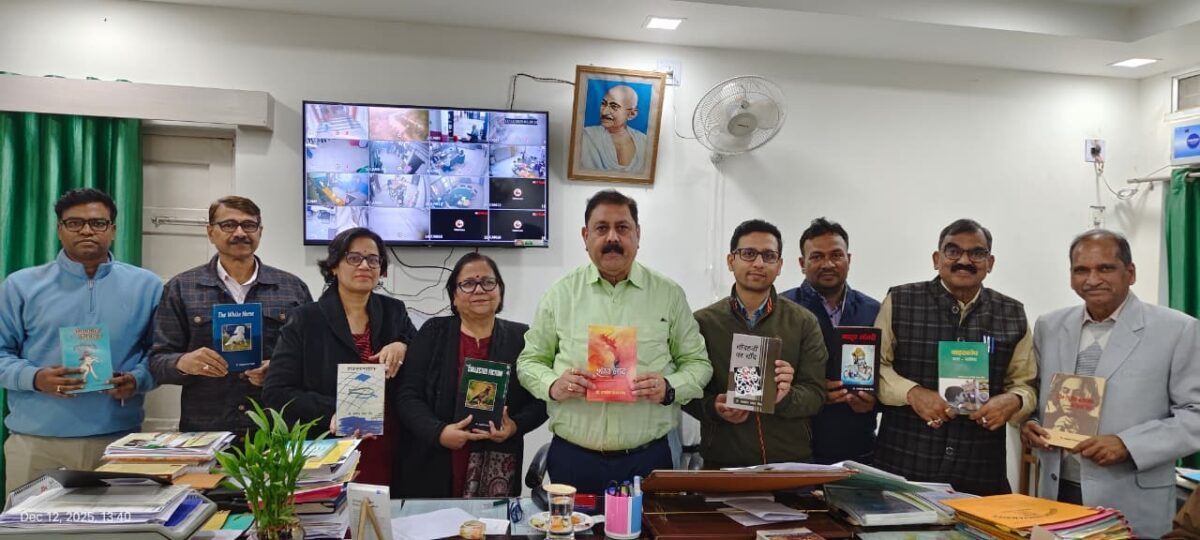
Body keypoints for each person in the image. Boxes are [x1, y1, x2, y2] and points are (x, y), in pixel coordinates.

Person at [517, 189, 712, 495]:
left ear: (638, 234)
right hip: (573, 458)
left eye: (622, 228)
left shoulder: (669, 294)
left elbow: (698, 364)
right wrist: (553, 384)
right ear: (585, 236)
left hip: (648, 459)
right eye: (601, 228)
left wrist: (669, 387)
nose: (612, 238)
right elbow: (529, 361)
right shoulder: (560, 294)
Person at [1021, 230, 1200, 538]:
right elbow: (1039, 396)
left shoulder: (1177, 329)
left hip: (1130, 496)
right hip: (1057, 491)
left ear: (1130, 273)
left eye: (1105, 268)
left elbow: (1195, 415)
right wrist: (1032, 423)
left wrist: (1128, 445)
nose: (1093, 279)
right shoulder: (1049, 326)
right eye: (1081, 270)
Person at [0, 188, 162, 492]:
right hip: (36, 443)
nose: (87, 230)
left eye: (98, 223)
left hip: (119, 442)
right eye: (74, 223)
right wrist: (35, 378)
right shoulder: (20, 285)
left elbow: (160, 353)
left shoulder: (147, 285)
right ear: (59, 230)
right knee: (31, 524)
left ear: (113, 230)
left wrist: (137, 379)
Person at [874, 218, 1037, 495]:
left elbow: (1026, 383)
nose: (964, 260)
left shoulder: (1012, 313)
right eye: (953, 251)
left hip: (981, 472)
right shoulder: (900, 300)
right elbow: (876, 366)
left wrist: (1014, 401)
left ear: (990, 263)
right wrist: (912, 393)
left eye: (977, 253)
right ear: (936, 259)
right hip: (904, 467)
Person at [263, 227, 417, 490]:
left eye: (373, 259)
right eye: (354, 258)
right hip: (328, 442)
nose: (364, 265)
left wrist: (403, 345)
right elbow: (276, 392)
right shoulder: (306, 319)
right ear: (334, 266)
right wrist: (333, 411)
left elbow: (422, 357)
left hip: (388, 442)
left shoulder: (394, 310)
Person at [149, 196, 313, 435]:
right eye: (228, 225)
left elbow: (313, 359)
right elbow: (157, 361)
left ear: (260, 231)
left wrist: (280, 370)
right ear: (210, 232)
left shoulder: (292, 288)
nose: (240, 232)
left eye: (249, 225)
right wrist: (183, 363)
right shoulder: (181, 288)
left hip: (275, 430)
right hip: (207, 431)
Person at [397, 253, 548, 497]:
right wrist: (439, 432)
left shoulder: (522, 338)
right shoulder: (433, 332)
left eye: (488, 282)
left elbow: (543, 399)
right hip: (435, 461)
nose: (479, 290)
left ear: (500, 291)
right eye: (468, 283)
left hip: (499, 460)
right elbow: (408, 396)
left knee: (491, 521)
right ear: (454, 296)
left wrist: (514, 426)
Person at [684, 219, 820, 468]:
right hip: (724, 461)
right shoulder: (702, 323)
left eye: (769, 256)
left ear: (779, 265)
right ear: (731, 261)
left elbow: (816, 393)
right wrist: (713, 407)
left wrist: (784, 397)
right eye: (748, 253)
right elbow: (686, 392)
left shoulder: (803, 322)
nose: (758, 263)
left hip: (789, 463)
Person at [780, 217, 882, 464]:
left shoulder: (875, 310)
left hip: (858, 446)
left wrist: (874, 402)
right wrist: (812, 393)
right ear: (802, 263)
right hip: (796, 446)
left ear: (849, 259)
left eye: (836, 255)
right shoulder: (782, 309)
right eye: (817, 257)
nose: (828, 264)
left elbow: (889, 372)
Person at [580, 86, 648, 173]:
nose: (604, 112)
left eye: (614, 106)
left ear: (632, 114)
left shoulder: (643, 142)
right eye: (603, 104)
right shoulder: (586, 136)